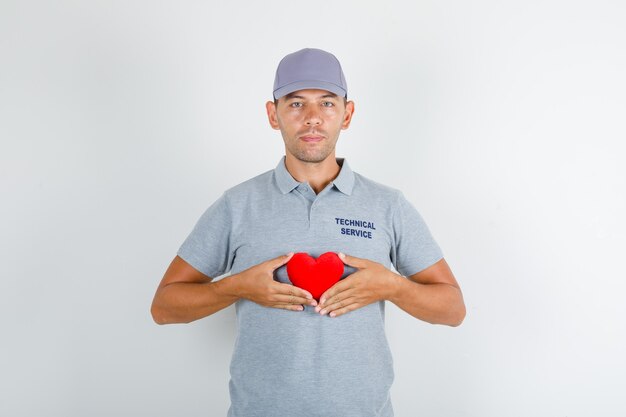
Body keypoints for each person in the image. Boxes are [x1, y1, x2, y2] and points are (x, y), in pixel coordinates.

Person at [151, 47, 466, 417]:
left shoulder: (388, 205)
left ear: (347, 114)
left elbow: (453, 309)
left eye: (327, 103)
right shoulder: (237, 205)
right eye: (296, 103)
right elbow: (164, 306)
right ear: (273, 114)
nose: (313, 118)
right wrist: (236, 286)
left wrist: (392, 286)